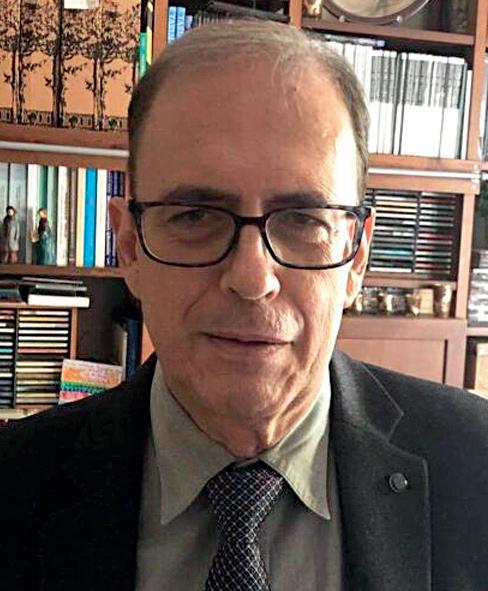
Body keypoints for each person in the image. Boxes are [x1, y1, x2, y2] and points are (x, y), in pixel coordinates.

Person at [1, 20, 488, 591]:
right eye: (195, 216)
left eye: (303, 219)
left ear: (356, 257)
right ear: (129, 246)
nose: (253, 280)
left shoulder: (476, 468)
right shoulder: (14, 487)